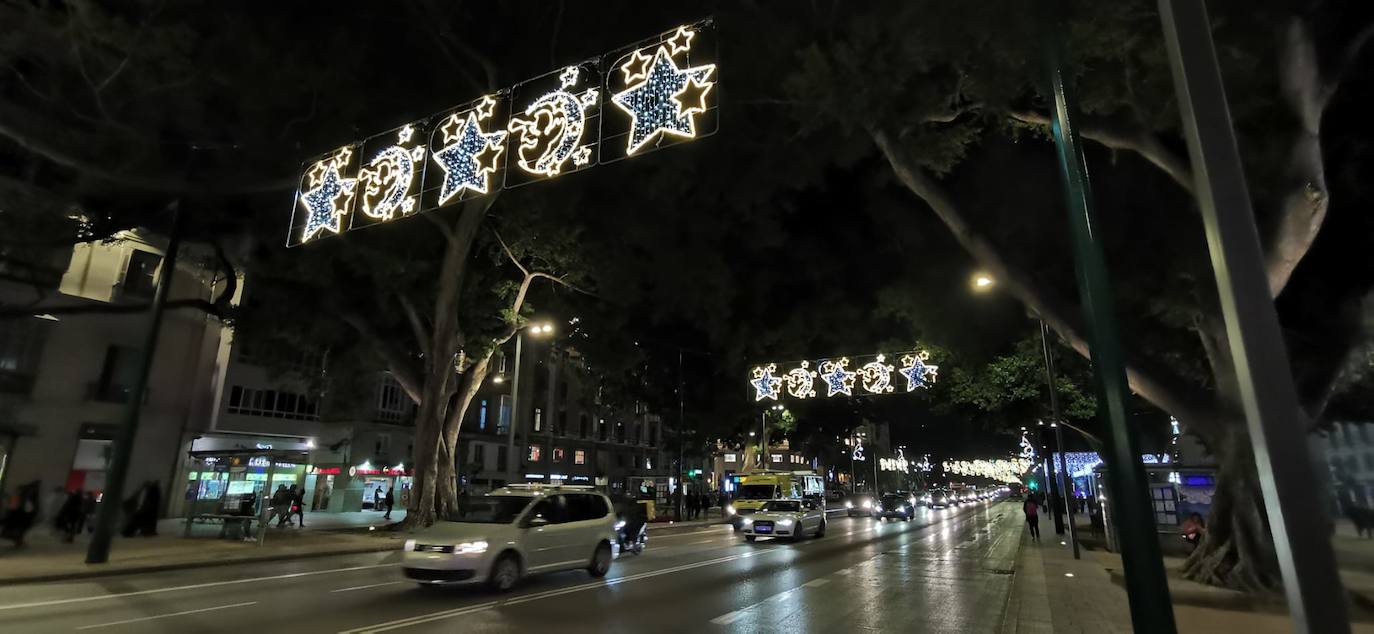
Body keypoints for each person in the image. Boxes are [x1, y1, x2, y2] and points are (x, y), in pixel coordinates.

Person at [1, 480, 40, 548]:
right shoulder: (20, 503)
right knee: (14, 530)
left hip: (19, 519)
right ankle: (18, 541)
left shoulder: (22, 502)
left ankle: (19, 541)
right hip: (18, 519)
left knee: (15, 530)